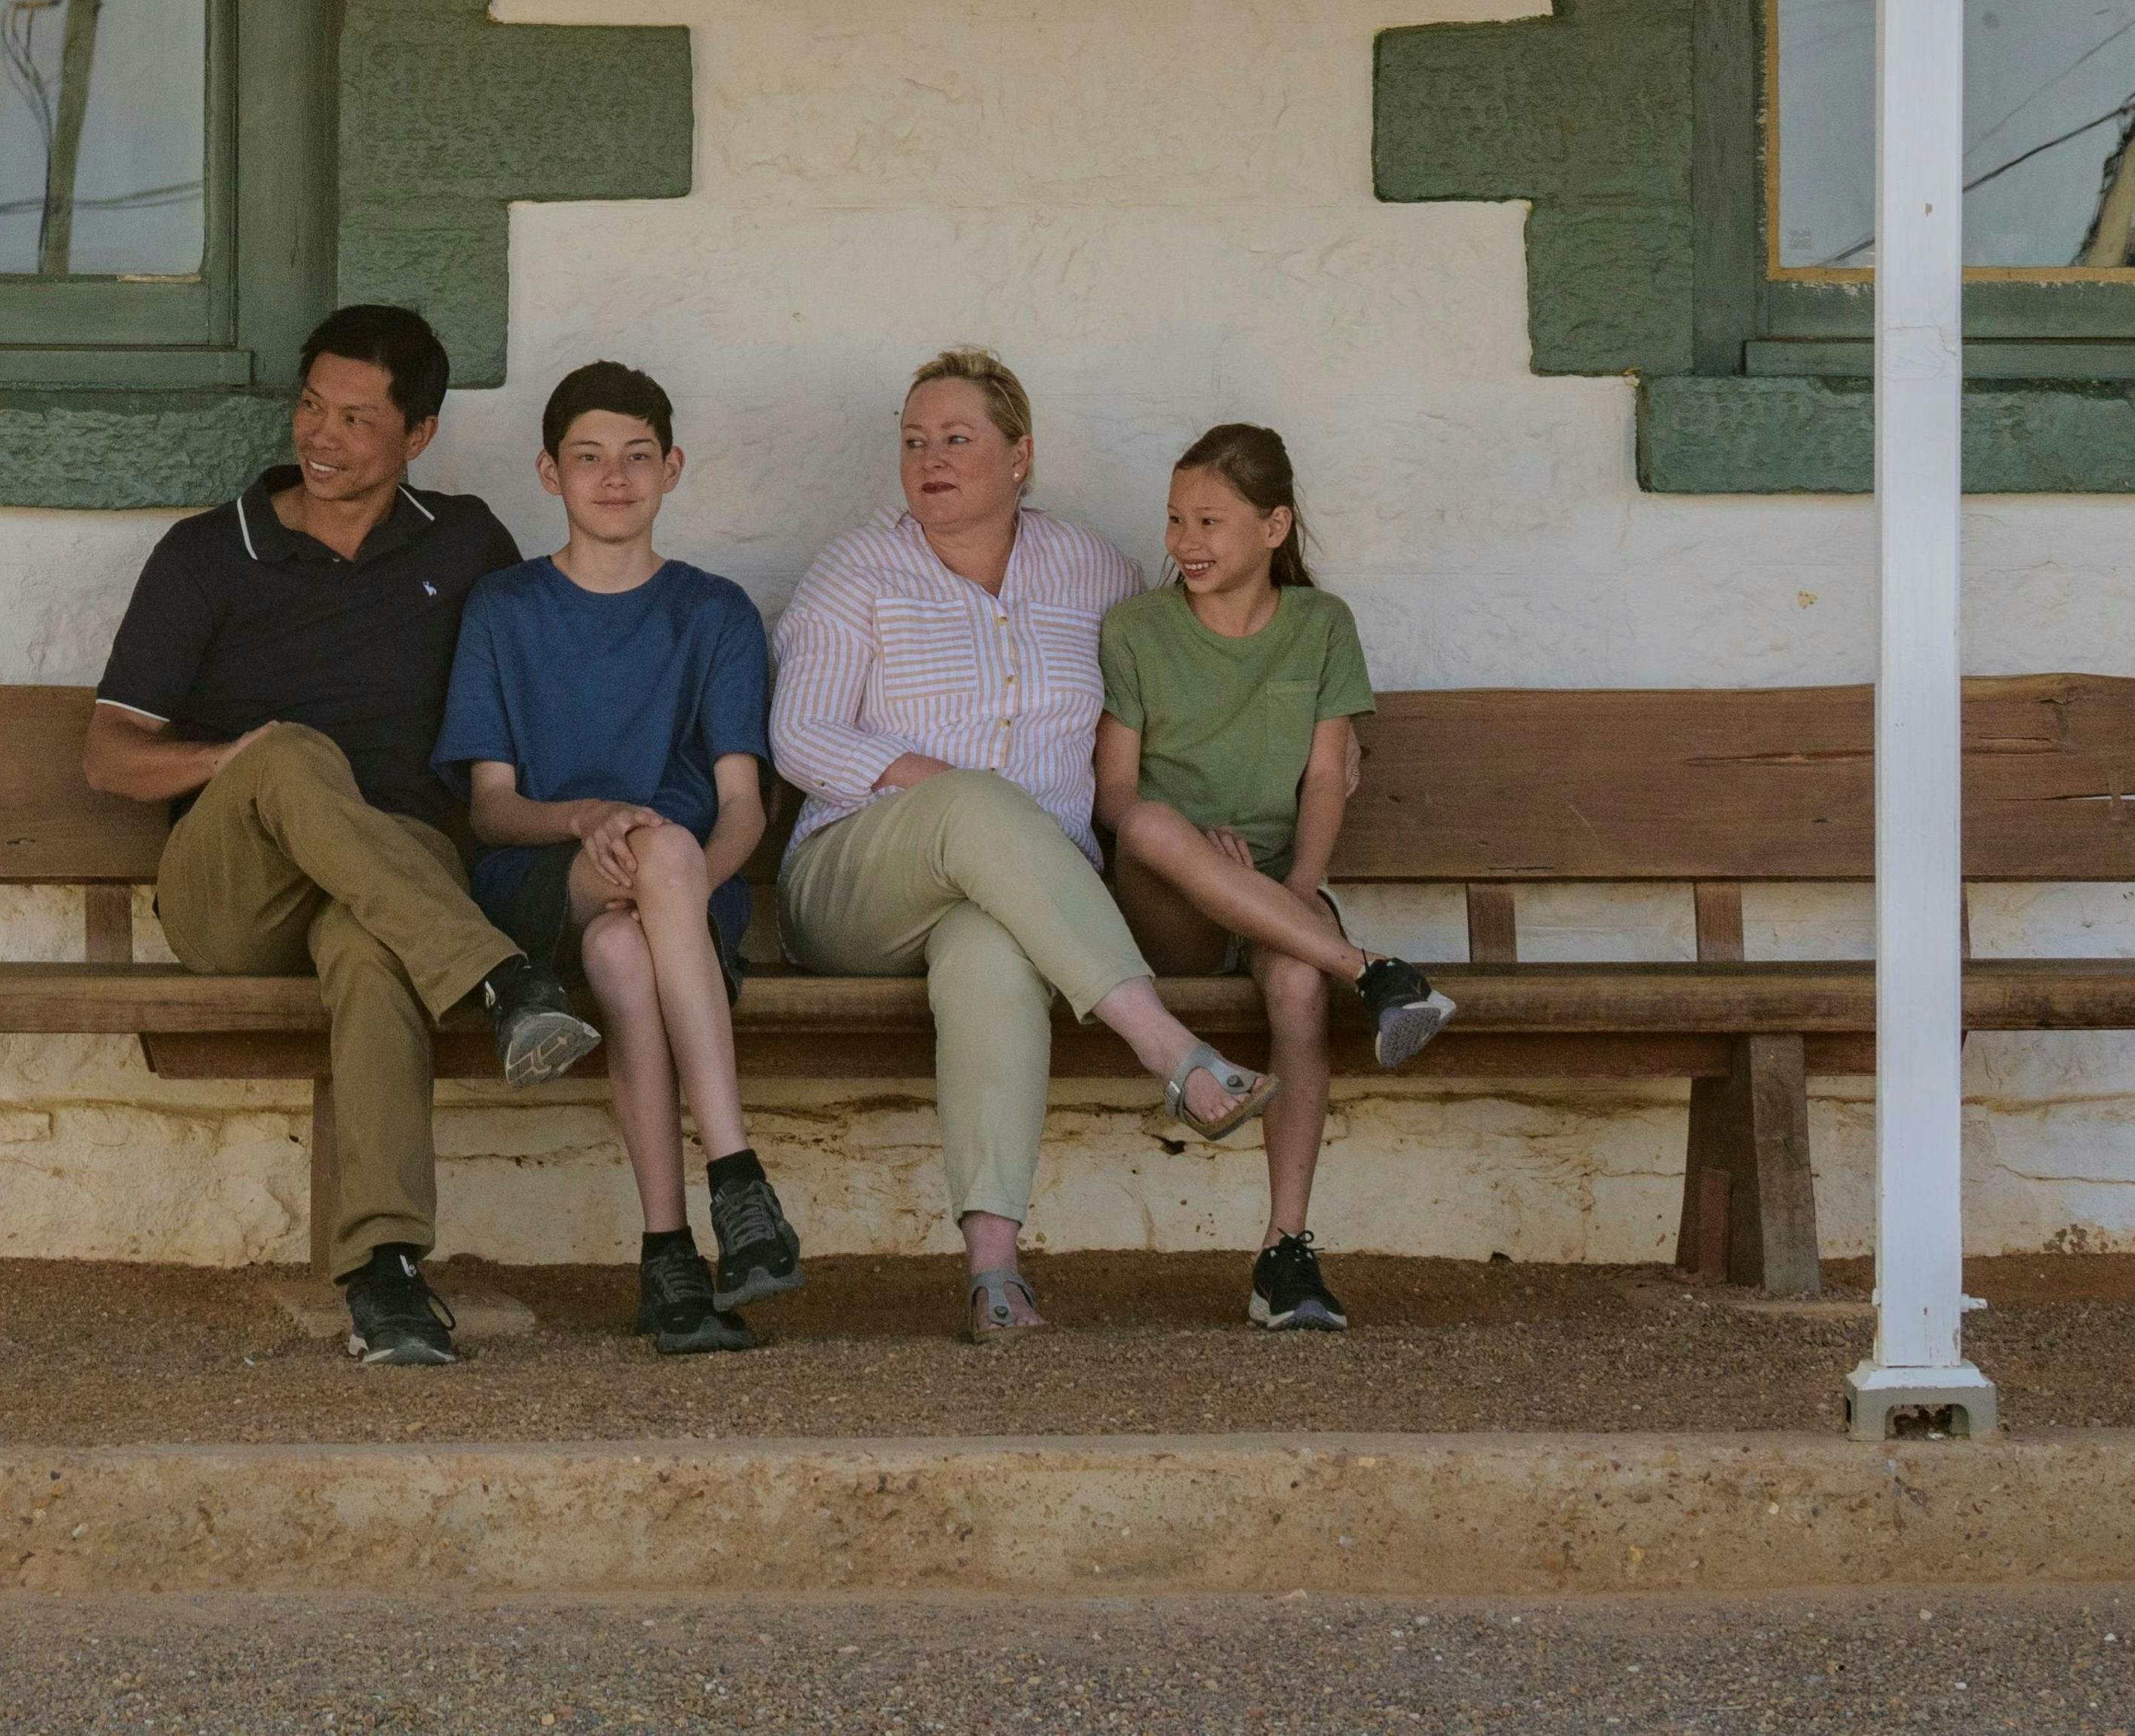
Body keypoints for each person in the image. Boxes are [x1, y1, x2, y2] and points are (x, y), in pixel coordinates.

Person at [87, 303, 604, 1369]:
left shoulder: (464, 545)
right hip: (237, 895)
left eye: (357, 418)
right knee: (289, 752)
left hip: (388, 880)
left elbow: (538, 693)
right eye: (312, 407)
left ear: (418, 435)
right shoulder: (208, 554)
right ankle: (505, 982)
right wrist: (235, 763)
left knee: (378, 953)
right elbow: (109, 755)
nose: (321, 436)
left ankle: (386, 1275)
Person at [766, 350, 1265, 1344]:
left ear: (1020, 455)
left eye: (958, 439)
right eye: (914, 441)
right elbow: (803, 737)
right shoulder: (854, 569)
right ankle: (1168, 1047)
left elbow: (1175, 686)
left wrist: (1317, 746)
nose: (931, 459)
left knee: (994, 958)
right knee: (979, 806)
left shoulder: (1095, 572)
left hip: (1027, 902)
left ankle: (995, 1272)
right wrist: (948, 794)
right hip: (859, 879)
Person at [439, 361, 803, 1354]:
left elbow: (741, 809)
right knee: (647, 857)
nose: (615, 477)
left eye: (637, 456)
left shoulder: (713, 611)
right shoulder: (504, 609)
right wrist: (588, 819)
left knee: (624, 953)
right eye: (589, 457)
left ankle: (669, 1262)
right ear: (550, 472)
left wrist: (669, 890)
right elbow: (491, 809)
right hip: (544, 881)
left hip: (683, 895)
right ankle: (736, 1171)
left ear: (672, 468)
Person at [1098, 418, 1455, 1334]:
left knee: (1294, 976)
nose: (1185, 542)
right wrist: (1191, 849)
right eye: (1175, 520)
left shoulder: (1320, 625)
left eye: (1210, 521)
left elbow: (1327, 772)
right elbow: (1112, 799)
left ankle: (1283, 1255)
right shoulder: (1136, 629)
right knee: (1147, 822)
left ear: (1273, 527)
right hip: (1169, 895)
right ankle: (1371, 971)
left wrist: (1295, 888)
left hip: (1280, 896)